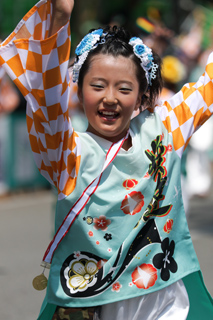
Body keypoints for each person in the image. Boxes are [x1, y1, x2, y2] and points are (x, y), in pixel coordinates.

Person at [0, 0, 213, 319]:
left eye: (124, 88)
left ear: (142, 94)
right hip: (93, 305)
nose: (110, 98)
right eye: (97, 86)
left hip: (163, 298)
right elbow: (46, 100)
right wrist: (59, 19)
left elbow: (207, 88)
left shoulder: (165, 128)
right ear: (77, 88)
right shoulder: (66, 153)